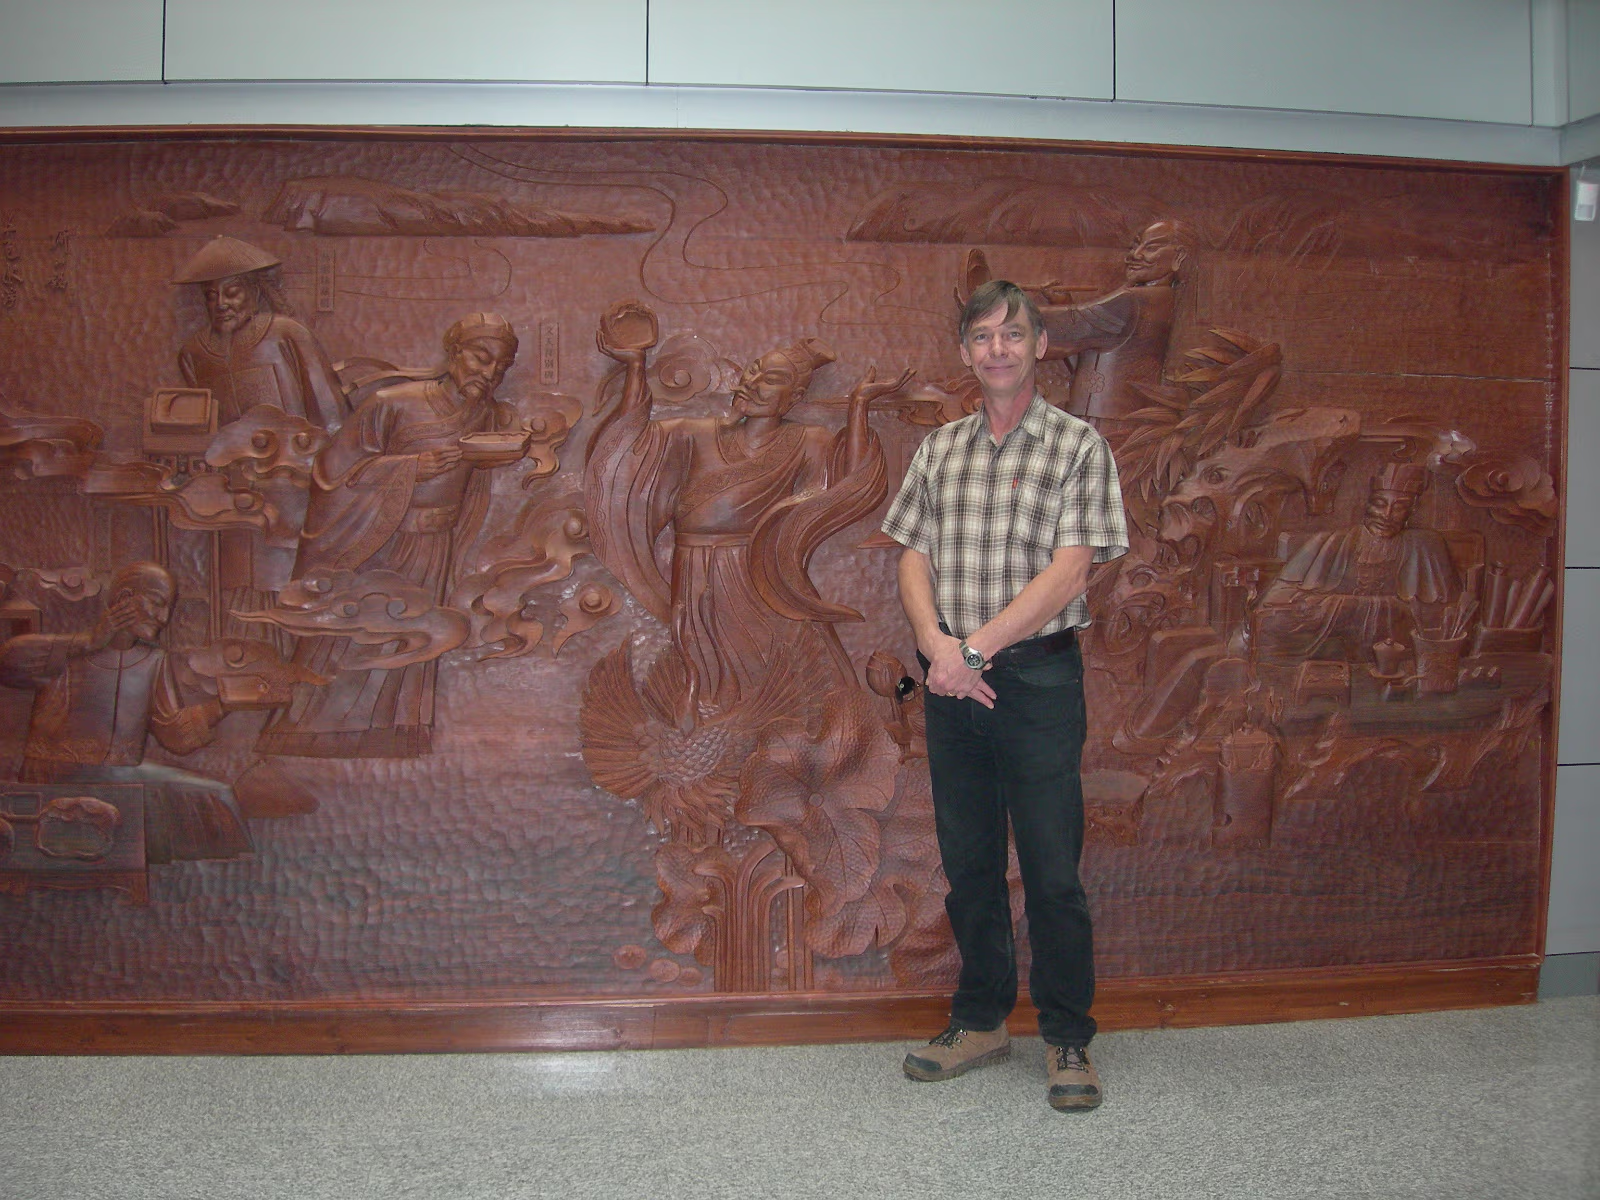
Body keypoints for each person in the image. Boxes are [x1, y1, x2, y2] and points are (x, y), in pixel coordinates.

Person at [881, 279, 1128, 1111]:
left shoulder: (1078, 447)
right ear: (965, 352)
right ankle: (982, 1020)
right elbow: (911, 555)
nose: (998, 349)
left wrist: (976, 649)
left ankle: (1067, 1037)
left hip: (1038, 680)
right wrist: (936, 646)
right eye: (983, 336)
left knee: (1053, 869)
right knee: (970, 864)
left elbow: (1071, 572)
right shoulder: (939, 450)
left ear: (1040, 347)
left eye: (1013, 334)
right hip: (951, 680)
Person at [255, 313, 524, 759]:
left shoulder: (484, 413)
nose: (490, 372)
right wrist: (410, 468)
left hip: (434, 546)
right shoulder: (393, 404)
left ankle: (392, 736)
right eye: (481, 357)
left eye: (502, 366)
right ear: (454, 352)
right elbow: (331, 472)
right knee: (358, 634)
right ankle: (305, 733)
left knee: (414, 644)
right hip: (380, 544)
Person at [0, 562, 252, 862]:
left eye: (168, 608)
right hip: (58, 772)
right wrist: (88, 641)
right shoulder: (71, 652)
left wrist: (224, 705)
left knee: (218, 794)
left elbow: (173, 734)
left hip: (120, 772)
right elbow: (8, 661)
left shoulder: (154, 660)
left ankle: (224, 877)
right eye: (157, 603)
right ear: (124, 598)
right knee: (192, 799)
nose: (163, 618)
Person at [172, 235, 349, 642]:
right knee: (237, 587)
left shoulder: (285, 334)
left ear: (255, 291)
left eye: (232, 292)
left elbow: (331, 414)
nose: (221, 303)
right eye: (211, 295)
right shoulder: (194, 353)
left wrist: (332, 474)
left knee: (290, 589)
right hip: (233, 497)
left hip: (297, 486)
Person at [1254, 462, 1459, 663]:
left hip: (1397, 650)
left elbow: (1447, 615)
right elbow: (1272, 605)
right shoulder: (1331, 542)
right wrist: (1346, 607)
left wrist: (1369, 609)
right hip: (1331, 643)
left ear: (1412, 510)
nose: (1386, 515)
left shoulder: (1425, 546)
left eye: (1399, 507)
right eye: (1379, 504)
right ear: (1367, 504)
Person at [1037, 220, 1195, 430]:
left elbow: (1066, 329)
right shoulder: (1164, 298)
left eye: (1151, 248)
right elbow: (1088, 348)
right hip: (1114, 418)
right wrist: (1063, 304)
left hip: (1105, 423)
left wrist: (1004, 310)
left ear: (1179, 256)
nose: (1136, 255)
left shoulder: (1134, 300)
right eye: (1135, 245)